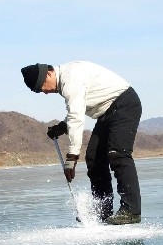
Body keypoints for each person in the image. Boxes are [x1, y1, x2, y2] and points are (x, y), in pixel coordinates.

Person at [21, 61, 142, 225]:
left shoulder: (71, 79)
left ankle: (131, 210)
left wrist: (71, 158)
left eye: (42, 85)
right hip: (107, 112)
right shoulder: (68, 80)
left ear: (49, 73)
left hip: (124, 105)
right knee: (94, 158)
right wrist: (62, 127)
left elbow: (76, 117)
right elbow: (76, 109)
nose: (44, 91)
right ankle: (103, 210)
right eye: (39, 91)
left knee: (118, 153)